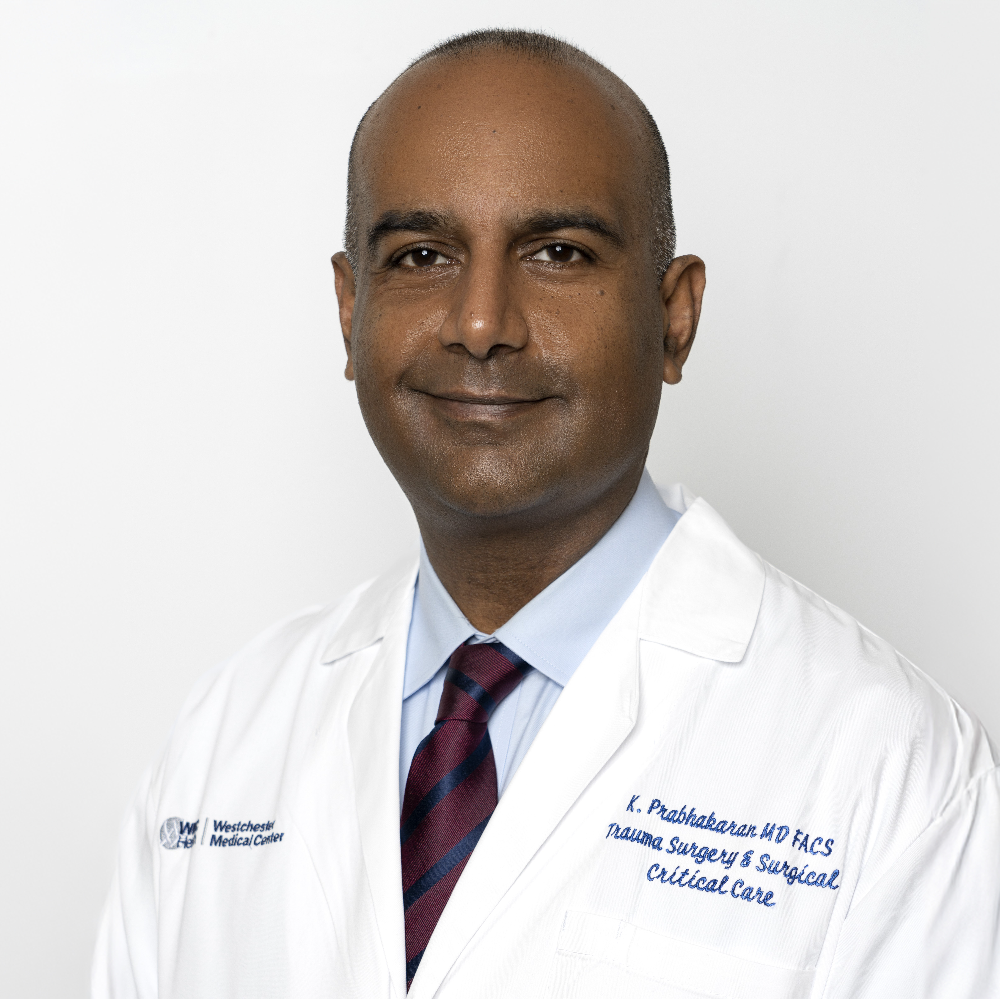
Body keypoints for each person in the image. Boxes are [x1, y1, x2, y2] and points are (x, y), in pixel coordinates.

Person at [92, 28, 1000, 999]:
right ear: (349, 310)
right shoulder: (226, 735)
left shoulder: (893, 772)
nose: (480, 323)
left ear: (675, 316)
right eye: (422, 253)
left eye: (557, 252)